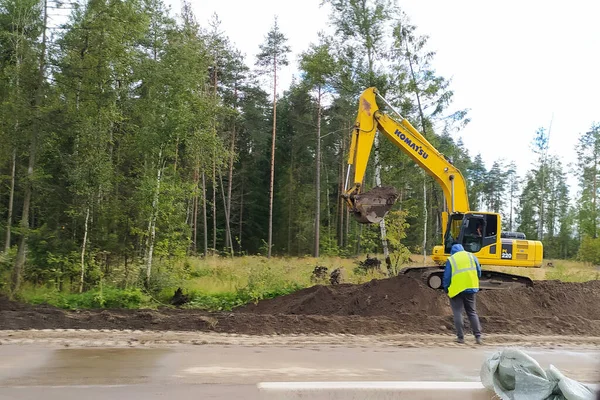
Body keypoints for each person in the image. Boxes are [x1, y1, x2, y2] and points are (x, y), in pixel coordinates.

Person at [443, 243, 483, 345]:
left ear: (452, 252)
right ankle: (478, 337)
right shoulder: (471, 256)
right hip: (470, 288)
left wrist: (446, 288)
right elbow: (479, 271)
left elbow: (447, 277)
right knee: (472, 312)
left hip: (457, 290)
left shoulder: (451, 260)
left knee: (458, 312)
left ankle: (460, 338)